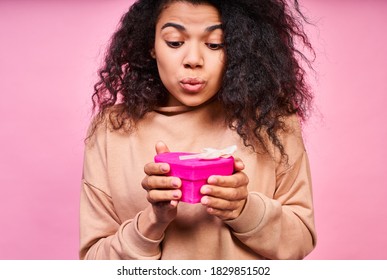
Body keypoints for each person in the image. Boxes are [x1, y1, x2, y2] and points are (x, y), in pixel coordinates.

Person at [80, 0, 317, 260]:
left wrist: (243, 209)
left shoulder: (271, 122)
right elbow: (93, 261)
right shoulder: (111, 130)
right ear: (151, 46)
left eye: (215, 44)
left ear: (239, 47)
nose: (193, 60)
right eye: (174, 42)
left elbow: (300, 241)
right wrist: (152, 222)